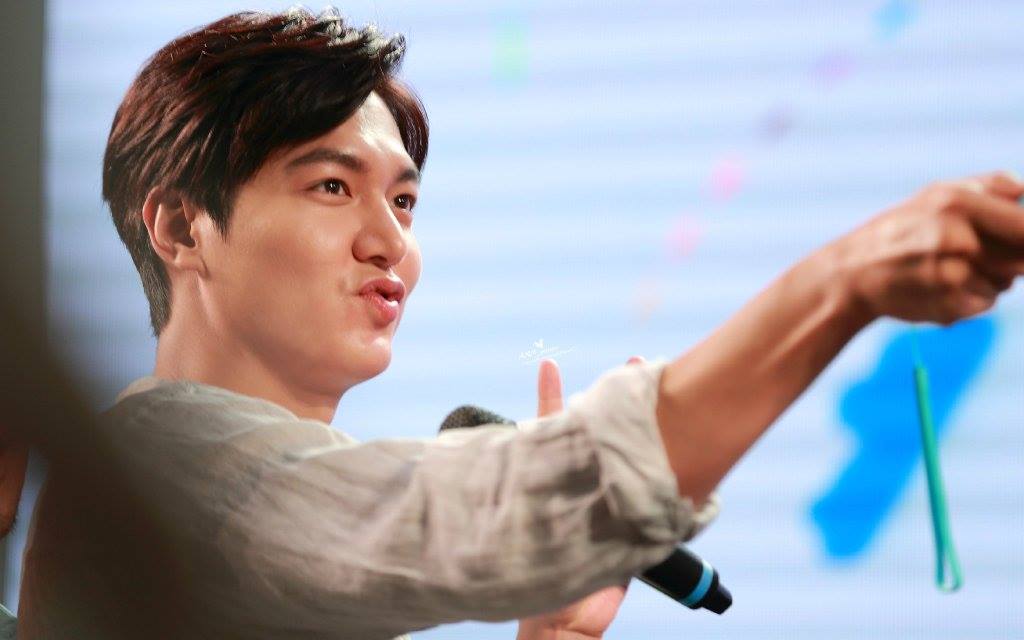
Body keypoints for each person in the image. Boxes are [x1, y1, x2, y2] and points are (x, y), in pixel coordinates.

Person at [12, 5, 1024, 639]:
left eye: (404, 202)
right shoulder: (171, 461)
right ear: (181, 228)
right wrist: (844, 281)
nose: (390, 242)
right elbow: (491, 509)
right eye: (331, 186)